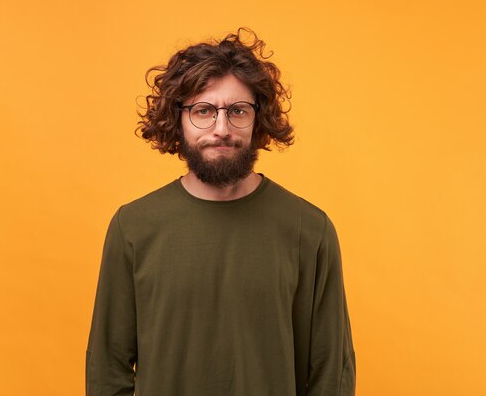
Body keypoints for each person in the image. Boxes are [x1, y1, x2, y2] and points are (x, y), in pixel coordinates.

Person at [85, 28, 356, 396]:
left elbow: (332, 374)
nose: (221, 128)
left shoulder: (309, 229)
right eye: (203, 111)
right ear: (177, 119)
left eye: (238, 111)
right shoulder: (132, 227)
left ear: (258, 119)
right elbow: (107, 369)